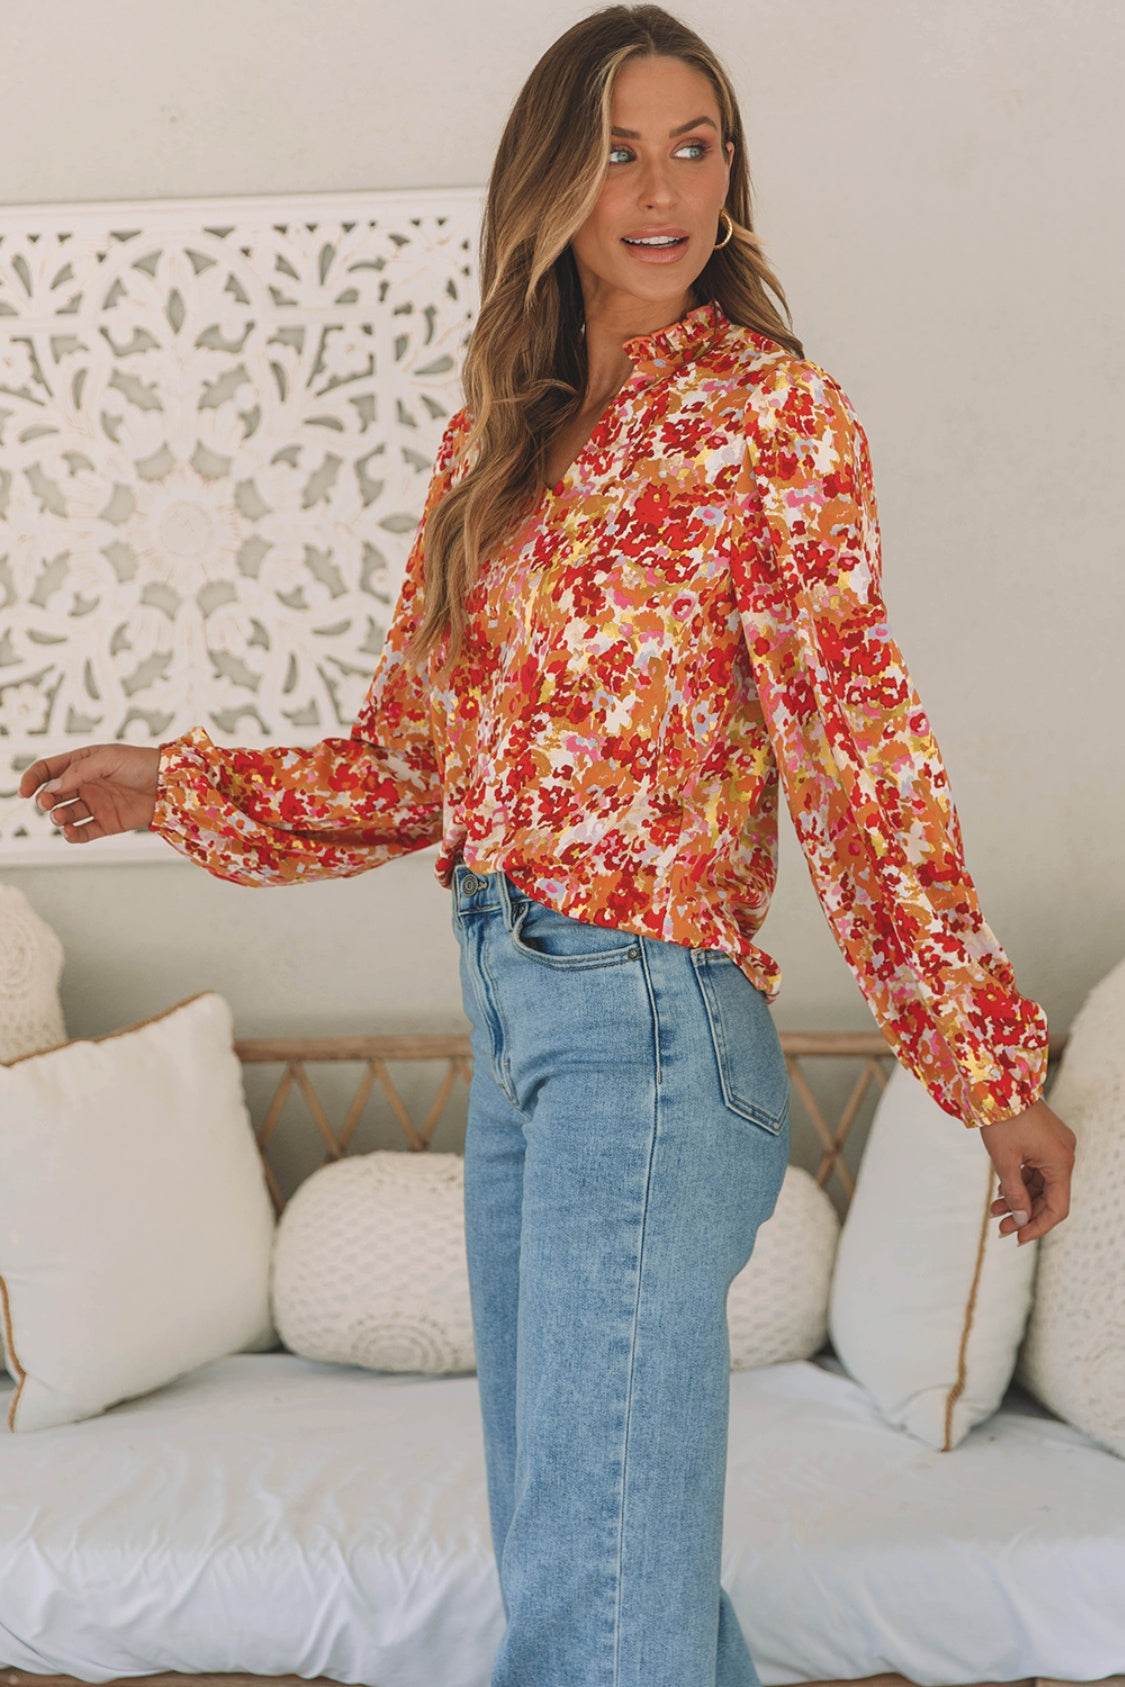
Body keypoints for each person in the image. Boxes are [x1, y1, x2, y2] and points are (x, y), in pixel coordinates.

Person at [19, 8, 1075, 1684]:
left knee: (598, 1596)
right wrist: (175, 786)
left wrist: (986, 1066)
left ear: (730, 171)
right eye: (614, 152)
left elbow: (856, 756)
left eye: (693, 146)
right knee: (592, 1569)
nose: (660, 192)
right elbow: (415, 765)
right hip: (516, 1024)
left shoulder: (771, 419)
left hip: (647, 1032)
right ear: (546, 185)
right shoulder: (496, 440)